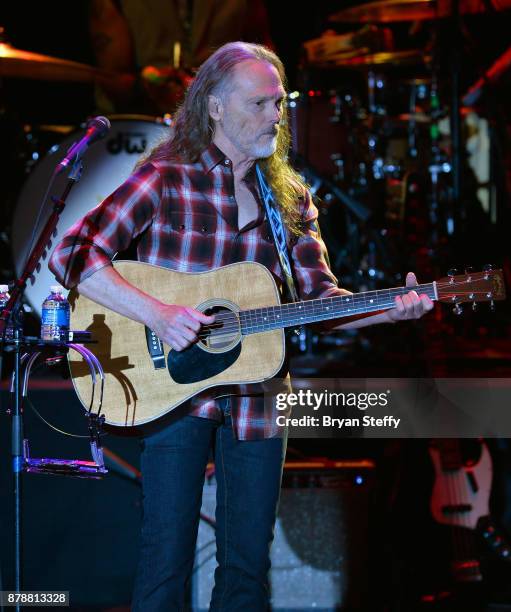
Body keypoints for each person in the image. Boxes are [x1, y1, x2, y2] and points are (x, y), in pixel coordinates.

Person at [49, 42, 433, 611]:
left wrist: (390, 307)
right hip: (173, 392)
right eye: (261, 104)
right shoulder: (166, 179)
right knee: (164, 563)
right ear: (215, 108)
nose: (276, 117)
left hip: (259, 398)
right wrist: (159, 314)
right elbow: (72, 254)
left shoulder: (290, 198)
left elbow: (320, 302)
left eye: (279, 104)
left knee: (248, 569)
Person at [89, 0, 274, 114]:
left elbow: (265, 59)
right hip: (138, 130)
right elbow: (114, 80)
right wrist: (145, 87)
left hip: (221, 125)